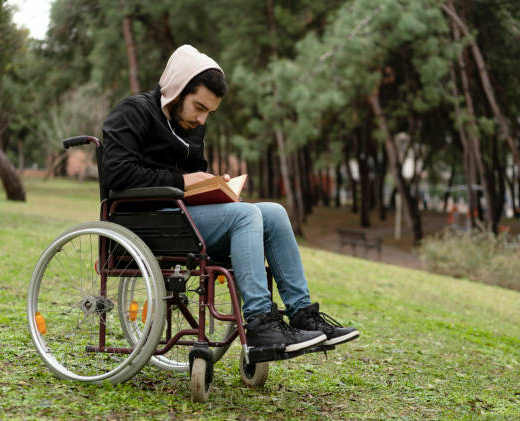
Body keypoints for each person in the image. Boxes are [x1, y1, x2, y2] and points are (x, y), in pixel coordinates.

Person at [102, 45, 358, 354]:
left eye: (209, 112)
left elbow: (193, 180)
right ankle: (261, 324)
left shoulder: (192, 127)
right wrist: (183, 181)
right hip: (143, 222)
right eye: (198, 106)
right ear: (177, 91)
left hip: (182, 219)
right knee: (246, 216)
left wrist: (213, 187)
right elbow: (117, 174)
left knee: (274, 213)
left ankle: (303, 315)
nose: (202, 118)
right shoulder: (132, 112)